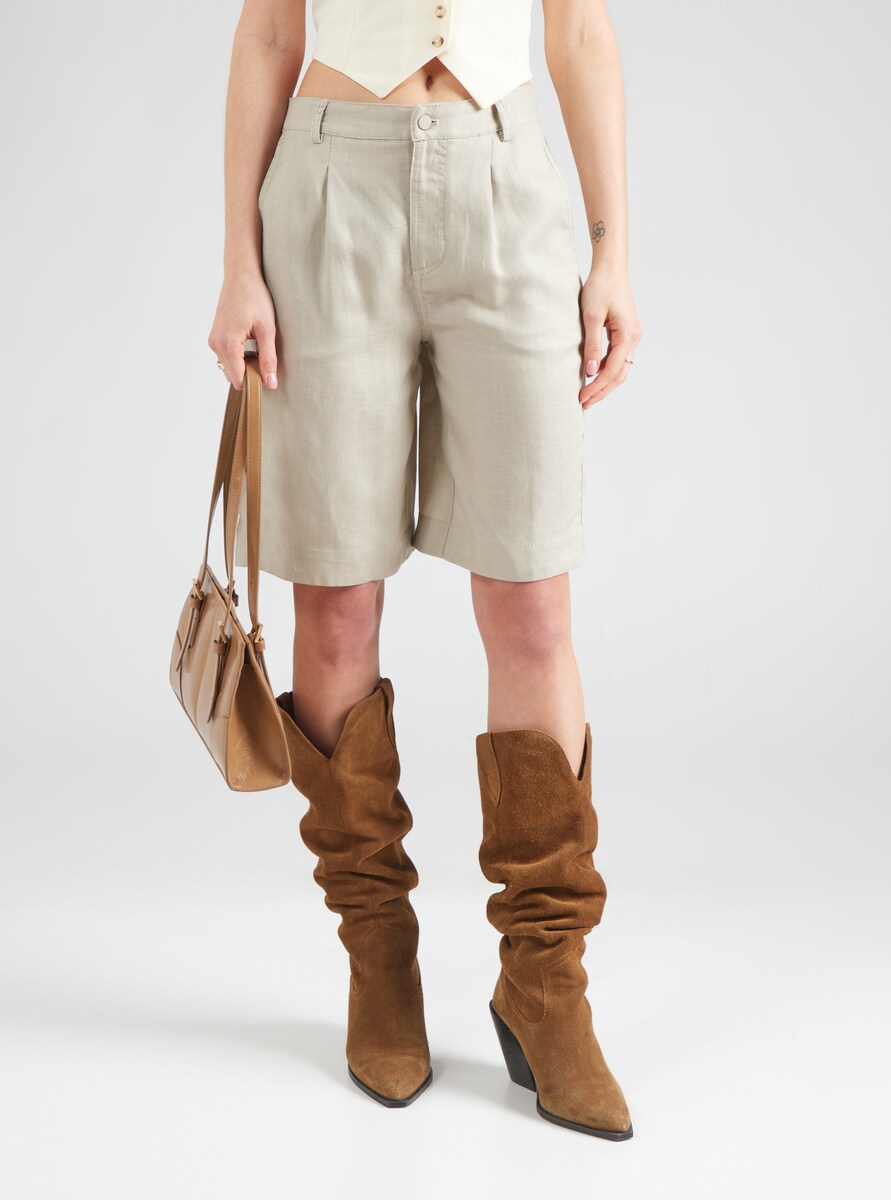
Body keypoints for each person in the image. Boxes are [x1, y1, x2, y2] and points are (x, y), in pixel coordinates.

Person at [208, 0, 641, 1140]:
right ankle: (378, 953)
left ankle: (545, 982)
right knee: (336, 600)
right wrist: (239, 262)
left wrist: (612, 251)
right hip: (331, 189)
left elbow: (580, 33)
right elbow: (268, 33)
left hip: (505, 182)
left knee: (532, 601)